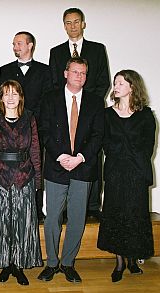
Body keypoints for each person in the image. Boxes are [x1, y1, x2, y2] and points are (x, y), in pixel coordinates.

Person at [38, 57, 104, 283]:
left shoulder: (96, 102)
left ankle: (68, 263)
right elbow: (43, 130)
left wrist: (80, 157)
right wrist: (61, 155)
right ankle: (52, 263)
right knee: (52, 217)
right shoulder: (50, 99)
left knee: (77, 218)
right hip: (57, 166)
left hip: (83, 167)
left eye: (84, 73)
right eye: (75, 72)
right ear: (65, 73)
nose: (80, 76)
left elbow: (98, 135)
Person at [49, 7, 110, 220]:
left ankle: (92, 207)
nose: (72, 26)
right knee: (65, 151)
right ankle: (65, 208)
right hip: (65, 110)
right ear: (64, 25)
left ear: (83, 24)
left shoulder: (97, 49)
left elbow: (103, 82)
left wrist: (87, 104)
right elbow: (55, 83)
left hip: (90, 110)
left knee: (92, 152)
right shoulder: (56, 52)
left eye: (76, 22)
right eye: (68, 22)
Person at [97, 70, 155, 282]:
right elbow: (105, 144)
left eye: (121, 83)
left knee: (135, 215)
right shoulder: (107, 115)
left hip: (136, 173)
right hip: (115, 173)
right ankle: (120, 263)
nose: (116, 86)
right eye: (115, 83)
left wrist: (129, 156)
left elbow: (147, 146)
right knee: (116, 214)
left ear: (132, 87)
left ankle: (132, 260)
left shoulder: (146, 115)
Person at [0, 80, 43, 286]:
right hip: (0, 177)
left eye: (14, 94)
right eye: (6, 94)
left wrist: (37, 181)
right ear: (1, 98)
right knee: (2, 223)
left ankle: (19, 265)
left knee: (23, 223)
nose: (10, 98)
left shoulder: (29, 118)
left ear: (20, 97)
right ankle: (6, 263)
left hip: (25, 176)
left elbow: (35, 149)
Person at [0, 31, 52, 221]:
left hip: (35, 127)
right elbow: (3, 100)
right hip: (9, 129)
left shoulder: (45, 71)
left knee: (35, 165)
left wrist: (29, 119)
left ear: (30, 45)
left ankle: (36, 210)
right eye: (13, 44)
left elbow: (47, 100)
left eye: (19, 43)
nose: (15, 47)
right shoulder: (4, 70)